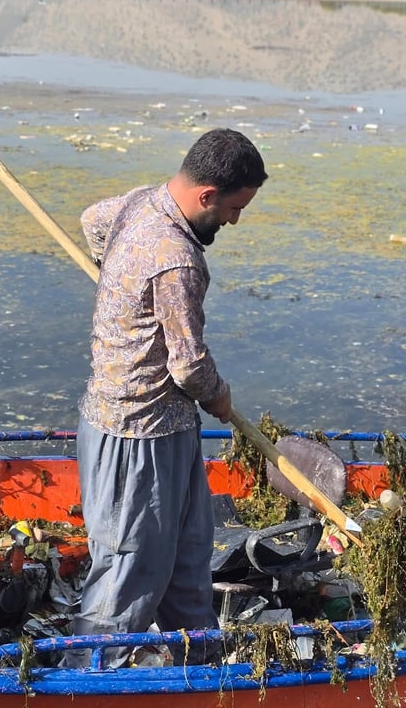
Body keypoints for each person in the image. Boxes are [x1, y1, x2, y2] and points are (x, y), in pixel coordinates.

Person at [71, 128, 268, 667]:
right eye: (232, 208)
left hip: (171, 427)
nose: (233, 221)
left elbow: (92, 218)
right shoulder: (178, 259)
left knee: (188, 555)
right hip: (134, 434)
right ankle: (86, 675)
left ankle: (198, 661)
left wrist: (113, 277)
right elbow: (188, 366)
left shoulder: (138, 202)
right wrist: (222, 400)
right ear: (206, 195)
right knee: (129, 570)